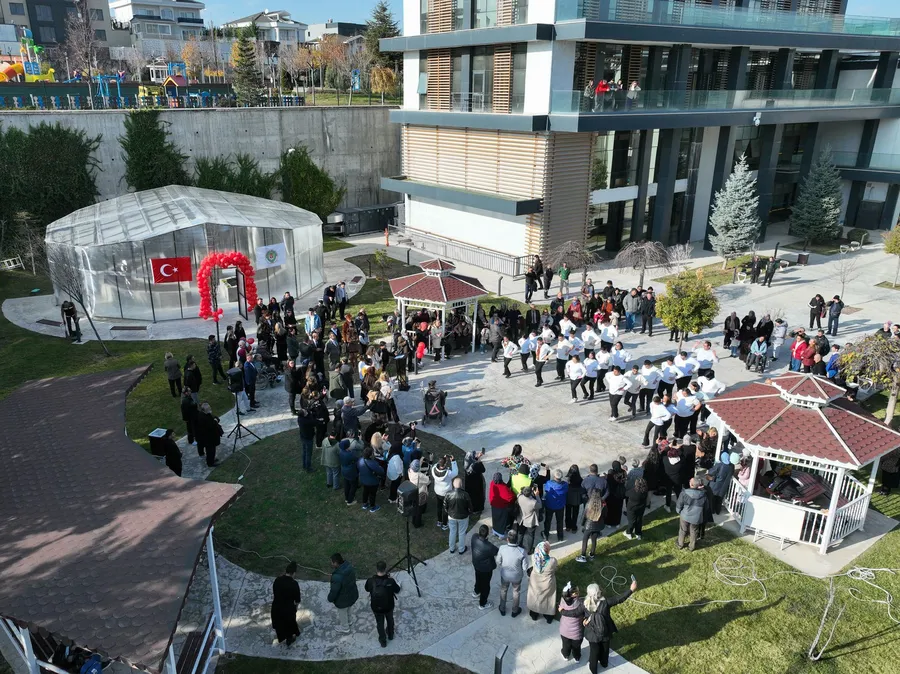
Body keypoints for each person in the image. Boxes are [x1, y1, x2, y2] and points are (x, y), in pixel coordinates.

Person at [583, 579, 637, 673]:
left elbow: (580, 613)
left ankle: (593, 669)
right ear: (598, 593)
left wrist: (584, 619)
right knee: (605, 649)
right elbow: (619, 599)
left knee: (594, 651)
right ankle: (604, 663)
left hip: (592, 633)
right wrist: (631, 590)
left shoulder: (584, 603)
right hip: (605, 630)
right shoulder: (606, 603)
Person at [364, 561, 401, 648]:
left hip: (376, 608)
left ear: (376, 569)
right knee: (390, 620)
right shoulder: (390, 581)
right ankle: (390, 635)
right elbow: (397, 590)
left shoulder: (370, 581)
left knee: (379, 624)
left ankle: (383, 641)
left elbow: (367, 589)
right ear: (385, 569)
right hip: (389, 606)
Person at [495, 529, 528, 617]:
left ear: (507, 539)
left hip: (505, 575)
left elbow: (498, 561)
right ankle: (515, 611)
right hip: (517, 577)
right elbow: (525, 567)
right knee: (516, 592)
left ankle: (502, 608)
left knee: (503, 590)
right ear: (517, 539)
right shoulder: (522, 551)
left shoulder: (502, 548)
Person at [271, 561, 301, 646]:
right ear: (294, 573)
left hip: (276, 608)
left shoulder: (277, 580)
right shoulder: (294, 584)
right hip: (288, 609)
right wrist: (295, 608)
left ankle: (282, 637)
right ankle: (289, 639)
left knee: (280, 624)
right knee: (289, 624)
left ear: (286, 571)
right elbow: (297, 600)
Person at [527, 541, 558, 623]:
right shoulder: (552, 561)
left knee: (535, 597)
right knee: (548, 599)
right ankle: (548, 616)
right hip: (547, 583)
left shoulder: (534, 557)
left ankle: (534, 614)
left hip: (535, 582)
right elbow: (555, 568)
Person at [328, 553, 359, 633]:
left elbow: (334, 591)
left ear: (335, 563)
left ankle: (345, 627)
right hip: (351, 594)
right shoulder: (349, 567)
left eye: (332, 562)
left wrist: (330, 598)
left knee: (342, 613)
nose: (331, 564)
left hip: (342, 599)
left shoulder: (337, 576)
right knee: (349, 608)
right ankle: (350, 621)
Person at [470, 524, 499, 611]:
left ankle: (476, 591)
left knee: (478, 578)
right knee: (485, 586)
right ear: (487, 534)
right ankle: (482, 603)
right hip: (486, 569)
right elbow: (497, 551)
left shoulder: (474, 537)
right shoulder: (489, 546)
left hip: (476, 564)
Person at [676, 477, 707, 551]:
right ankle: (692, 547)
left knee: (683, 530)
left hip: (685, 515)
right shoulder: (703, 495)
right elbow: (706, 507)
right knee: (694, 531)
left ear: (691, 484)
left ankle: (680, 544)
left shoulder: (684, 493)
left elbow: (679, 504)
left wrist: (679, 511)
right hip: (696, 517)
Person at [576, 489, 606, 563]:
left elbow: (584, 515)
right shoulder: (603, 504)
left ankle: (583, 556)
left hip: (588, 525)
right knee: (594, 540)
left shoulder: (588, 504)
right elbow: (605, 515)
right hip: (597, 525)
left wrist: (582, 524)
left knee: (585, 540)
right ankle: (592, 555)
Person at [444, 476, 473, 554]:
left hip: (452, 516)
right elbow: (470, 506)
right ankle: (461, 549)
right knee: (462, 532)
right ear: (461, 485)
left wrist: (448, 512)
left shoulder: (448, 494)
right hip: (463, 517)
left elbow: (445, 505)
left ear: (453, 484)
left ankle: (452, 548)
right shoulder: (465, 494)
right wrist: (469, 513)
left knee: (452, 532)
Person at [559, 583, 586, 663]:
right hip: (577, 632)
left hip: (564, 630)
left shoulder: (562, 601)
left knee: (565, 645)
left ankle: (565, 655)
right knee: (576, 646)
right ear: (573, 594)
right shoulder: (581, 603)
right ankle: (577, 657)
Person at [432, 455, 459, 530]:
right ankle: (444, 524)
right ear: (445, 464)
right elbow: (456, 472)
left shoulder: (433, 469)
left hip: (437, 491)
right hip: (446, 493)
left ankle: (439, 521)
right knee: (445, 508)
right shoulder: (448, 473)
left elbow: (436, 464)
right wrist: (453, 462)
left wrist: (443, 459)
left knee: (439, 506)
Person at [516, 485, 543, 554]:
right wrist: (537, 495)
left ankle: (519, 546)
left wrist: (522, 490)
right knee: (530, 535)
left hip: (521, 519)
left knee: (520, 533)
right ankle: (529, 550)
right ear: (531, 493)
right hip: (530, 521)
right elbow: (540, 505)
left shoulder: (519, 497)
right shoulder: (533, 502)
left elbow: (519, 493)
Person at [543, 469, 568, 542]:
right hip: (560, 506)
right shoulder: (565, 485)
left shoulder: (549, 483)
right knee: (560, 521)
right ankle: (560, 536)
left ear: (554, 476)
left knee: (548, 520)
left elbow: (546, 490)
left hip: (549, 505)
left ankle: (546, 534)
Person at [195, 402, 223, 467]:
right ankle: (210, 463)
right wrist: (215, 421)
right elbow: (210, 426)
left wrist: (215, 419)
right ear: (204, 410)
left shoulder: (205, 414)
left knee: (212, 449)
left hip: (210, 436)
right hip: (208, 437)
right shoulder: (202, 417)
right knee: (210, 450)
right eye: (208, 408)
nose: (210, 409)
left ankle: (212, 459)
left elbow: (213, 417)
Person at [489, 472, 516, 538]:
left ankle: (494, 531)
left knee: (495, 519)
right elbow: (511, 497)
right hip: (501, 507)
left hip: (493, 505)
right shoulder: (503, 487)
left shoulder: (492, 483)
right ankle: (500, 534)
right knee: (501, 520)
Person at [464, 450, 487, 515]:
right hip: (477, 483)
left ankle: (470, 509)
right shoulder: (476, 465)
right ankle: (477, 510)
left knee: (471, 496)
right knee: (478, 496)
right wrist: (479, 461)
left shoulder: (466, 464)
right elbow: (483, 470)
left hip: (469, 483)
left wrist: (477, 457)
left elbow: (472, 462)